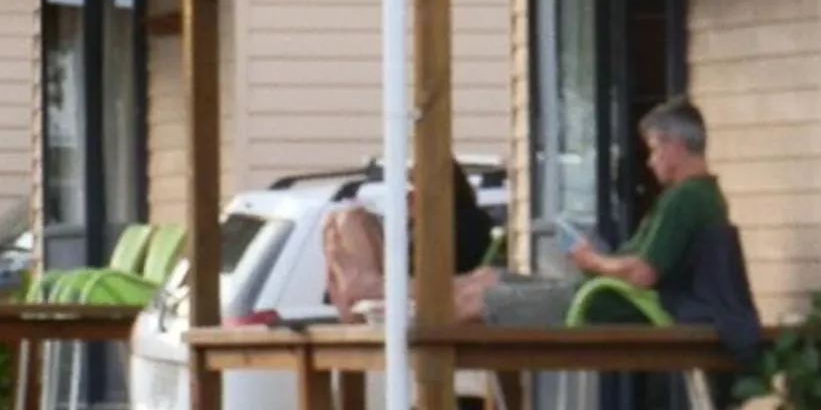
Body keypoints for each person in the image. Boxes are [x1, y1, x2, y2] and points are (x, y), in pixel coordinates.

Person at [457, 98, 761, 355]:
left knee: (475, 300)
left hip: (608, 305)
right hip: (601, 295)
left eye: (654, 150)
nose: (651, 162)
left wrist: (592, 260)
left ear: (675, 147)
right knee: (485, 278)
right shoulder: (702, 197)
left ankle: (427, 392)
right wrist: (592, 262)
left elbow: (643, 273)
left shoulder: (686, 199)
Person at [320, 159, 495, 323]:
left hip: (448, 324)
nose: (406, 204)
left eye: (409, 195)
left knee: (349, 219)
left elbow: (429, 280)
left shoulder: (455, 227)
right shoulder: (434, 226)